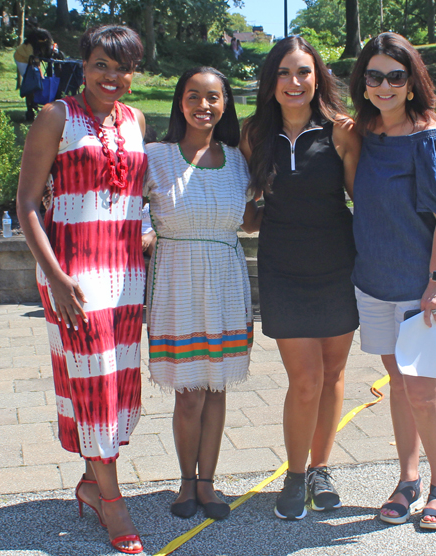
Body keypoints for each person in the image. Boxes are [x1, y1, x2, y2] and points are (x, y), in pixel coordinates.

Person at [17, 25, 147, 554]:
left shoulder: (136, 120)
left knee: (116, 386)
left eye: (122, 67)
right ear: (84, 65)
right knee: (93, 384)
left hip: (127, 274)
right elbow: (27, 204)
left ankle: (92, 486)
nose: (111, 77)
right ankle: (113, 501)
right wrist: (54, 276)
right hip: (74, 275)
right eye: (101, 65)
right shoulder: (57, 117)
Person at [240, 35, 360, 521]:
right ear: (271, 81)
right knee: (305, 378)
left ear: (318, 78)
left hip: (337, 265)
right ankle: (294, 473)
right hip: (283, 268)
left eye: (304, 72)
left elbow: (364, 200)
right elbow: (245, 208)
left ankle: (321, 469)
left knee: (332, 375)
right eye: (285, 73)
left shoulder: (341, 131)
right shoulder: (252, 135)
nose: (295, 82)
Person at [350, 32, 436, 530]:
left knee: (422, 390)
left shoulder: (430, 138)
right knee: (398, 384)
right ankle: (408, 478)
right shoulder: (364, 132)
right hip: (374, 283)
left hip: (424, 286)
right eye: (374, 76)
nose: (384, 85)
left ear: (412, 82)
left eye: (395, 76)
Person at [144, 67, 259, 520]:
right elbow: (131, 207)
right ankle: (185, 483)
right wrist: (143, 234)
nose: (203, 105)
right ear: (180, 102)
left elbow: (250, 220)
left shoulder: (238, 159)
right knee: (188, 393)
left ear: (225, 104)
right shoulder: (156, 155)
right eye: (193, 96)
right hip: (175, 280)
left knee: (215, 389)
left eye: (213, 98)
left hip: (226, 280)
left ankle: (208, 482)